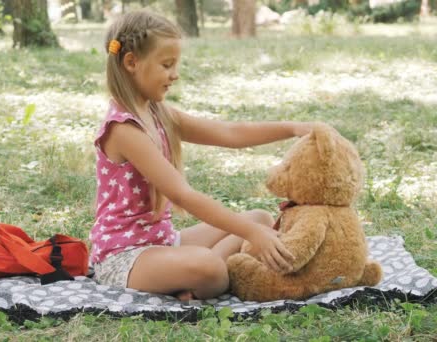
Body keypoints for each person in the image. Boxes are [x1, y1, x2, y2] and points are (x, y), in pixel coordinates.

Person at [89, 10, 314, 301]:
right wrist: (249, 234)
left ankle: (187, 280)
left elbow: (229, 134)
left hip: (163, 242)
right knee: (212, 267)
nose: (175, 74)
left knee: (259, 219)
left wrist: (292, 128)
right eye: (166, 65)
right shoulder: (124, 129)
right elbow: (183, 195)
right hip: (125, 257)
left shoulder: (158, 112)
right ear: (131, 62)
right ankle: (201, 274)